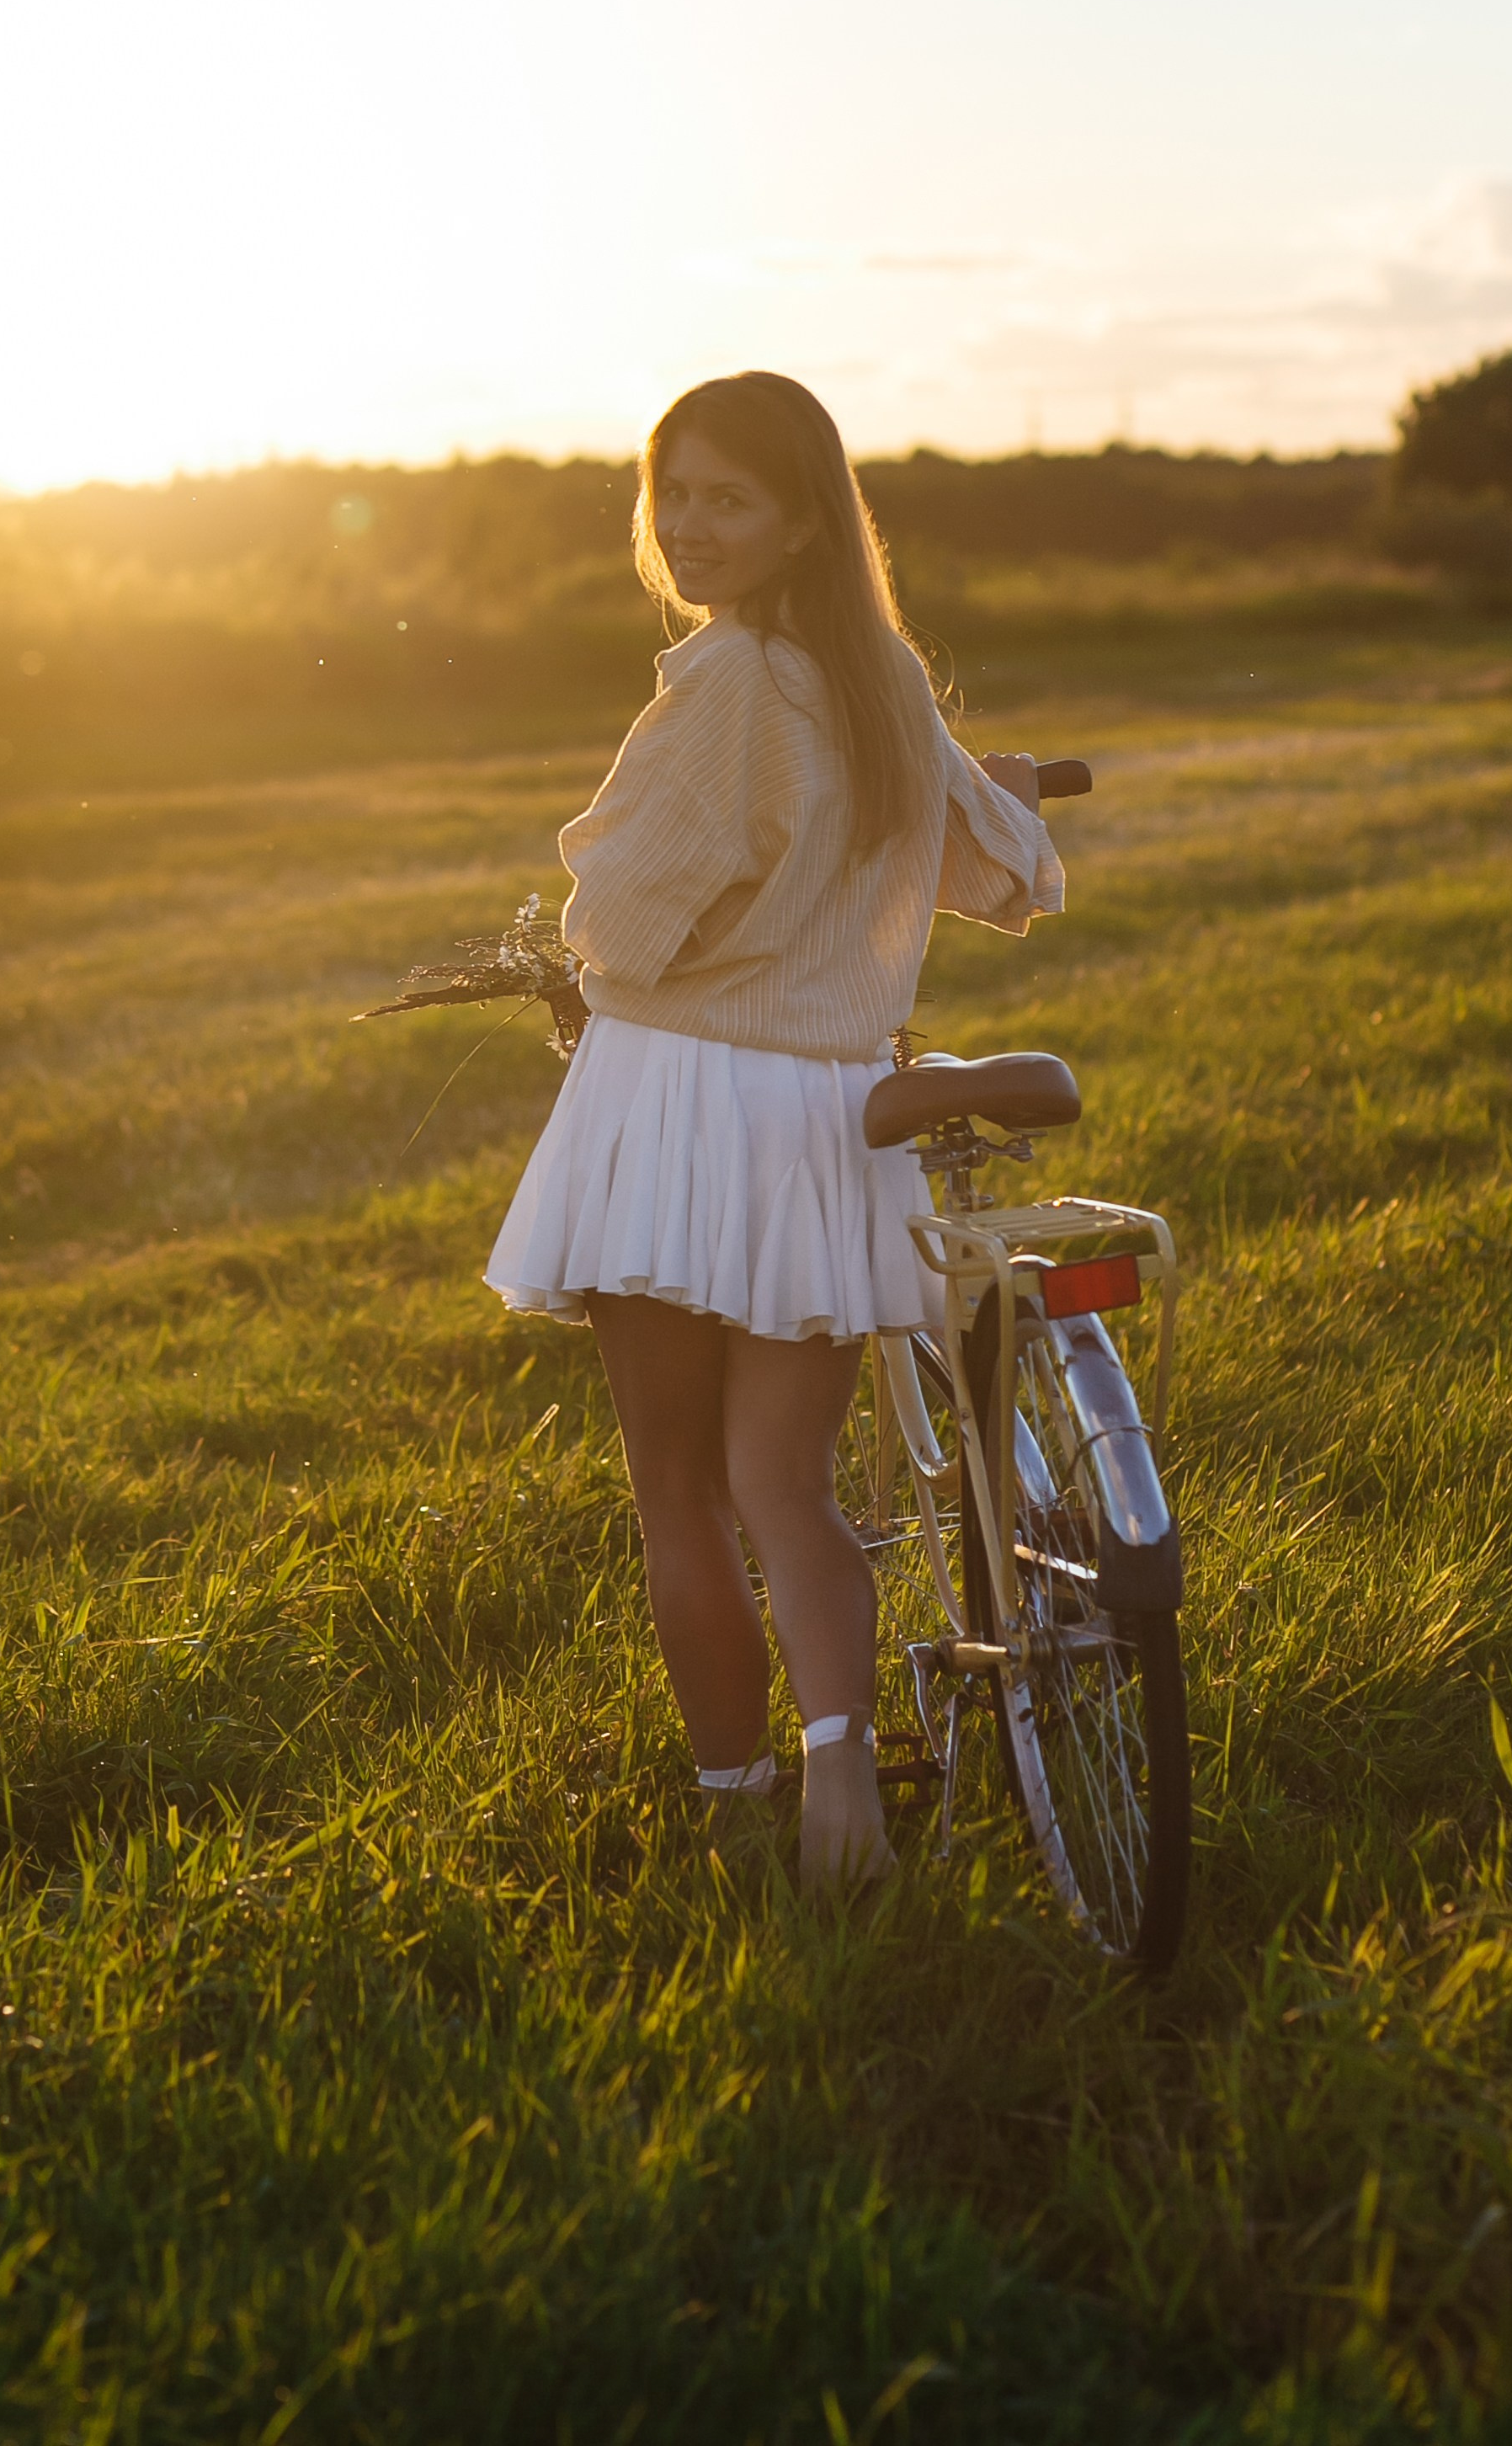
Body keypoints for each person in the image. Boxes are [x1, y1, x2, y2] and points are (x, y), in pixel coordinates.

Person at [485, 372, 1065, 1893]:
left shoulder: (729, 680)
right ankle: (842, 1789)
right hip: (825, 1109)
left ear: (804, 519)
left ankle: (739, 1800)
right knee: (784, 1486)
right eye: (670, 493)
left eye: (726, 499)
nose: (687, 526)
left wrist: (589, 937)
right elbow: (1000, 864)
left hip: (681, 1103)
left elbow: (621, 915)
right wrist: (942, 798)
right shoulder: (876, 677)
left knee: (678, 1487)